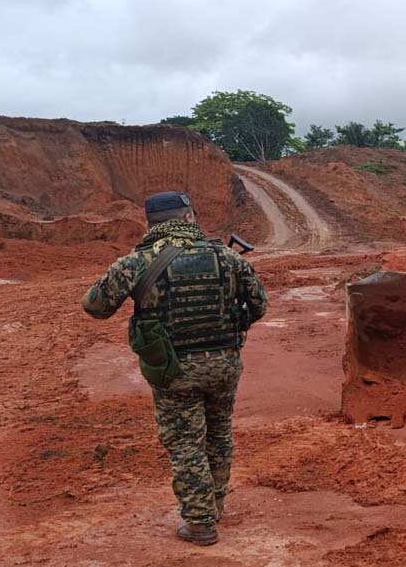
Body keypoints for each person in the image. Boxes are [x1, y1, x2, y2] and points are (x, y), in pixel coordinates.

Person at [81, 191, 267, 546]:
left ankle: (200, 523)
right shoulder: (227, 256)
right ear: (188, 218)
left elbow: (95, 307)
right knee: (218, 435)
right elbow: (258, 306)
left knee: (185, 443)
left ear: (150, 223)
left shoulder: (136, 262)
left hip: (172, 369)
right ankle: (215, 506)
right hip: (224, 363)